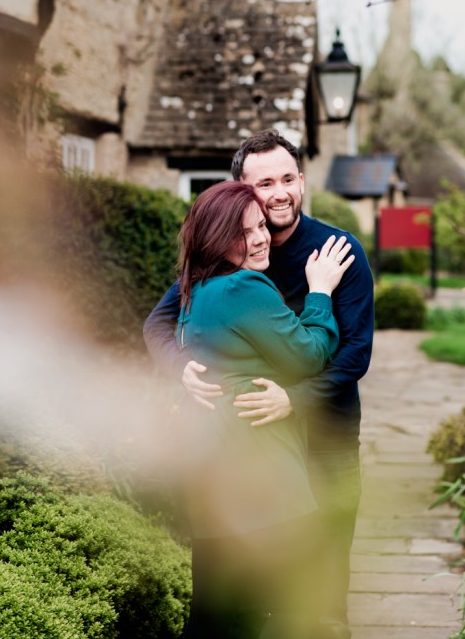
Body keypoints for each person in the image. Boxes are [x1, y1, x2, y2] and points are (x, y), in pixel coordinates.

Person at [144, 130, 375, 639]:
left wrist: (294, 400)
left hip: (326, 437)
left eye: (289, 178)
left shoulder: (338, 251)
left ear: (302, 181)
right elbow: (158, 324)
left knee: (322, 584)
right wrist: (181, 367)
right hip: (256, 445)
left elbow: (354, 355)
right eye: (265, 182)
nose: (280, 193)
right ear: (243, 190)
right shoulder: (229, 255)